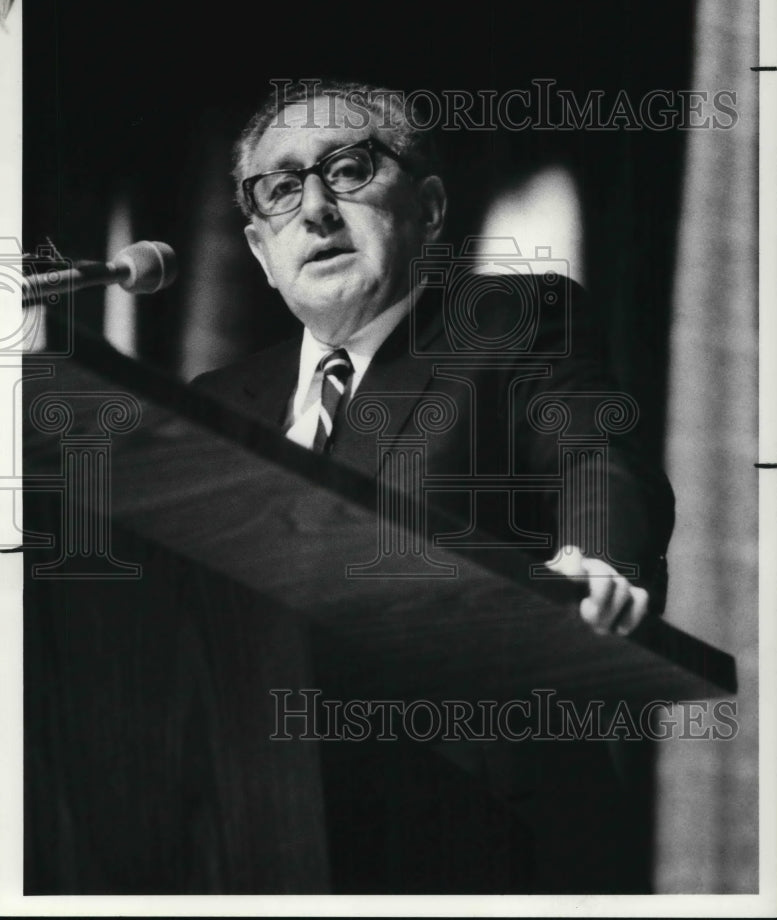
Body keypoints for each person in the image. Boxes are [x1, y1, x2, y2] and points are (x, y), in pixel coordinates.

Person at [193, 79, 675, 893]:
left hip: (476, 827)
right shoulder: (212, 403)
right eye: (280, 188)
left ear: (431, 207)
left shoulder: (514, 325)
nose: (313, 208)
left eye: (346, 169)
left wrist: (597, 559)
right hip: (251, 831)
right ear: (257, 248)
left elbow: (594, 454)